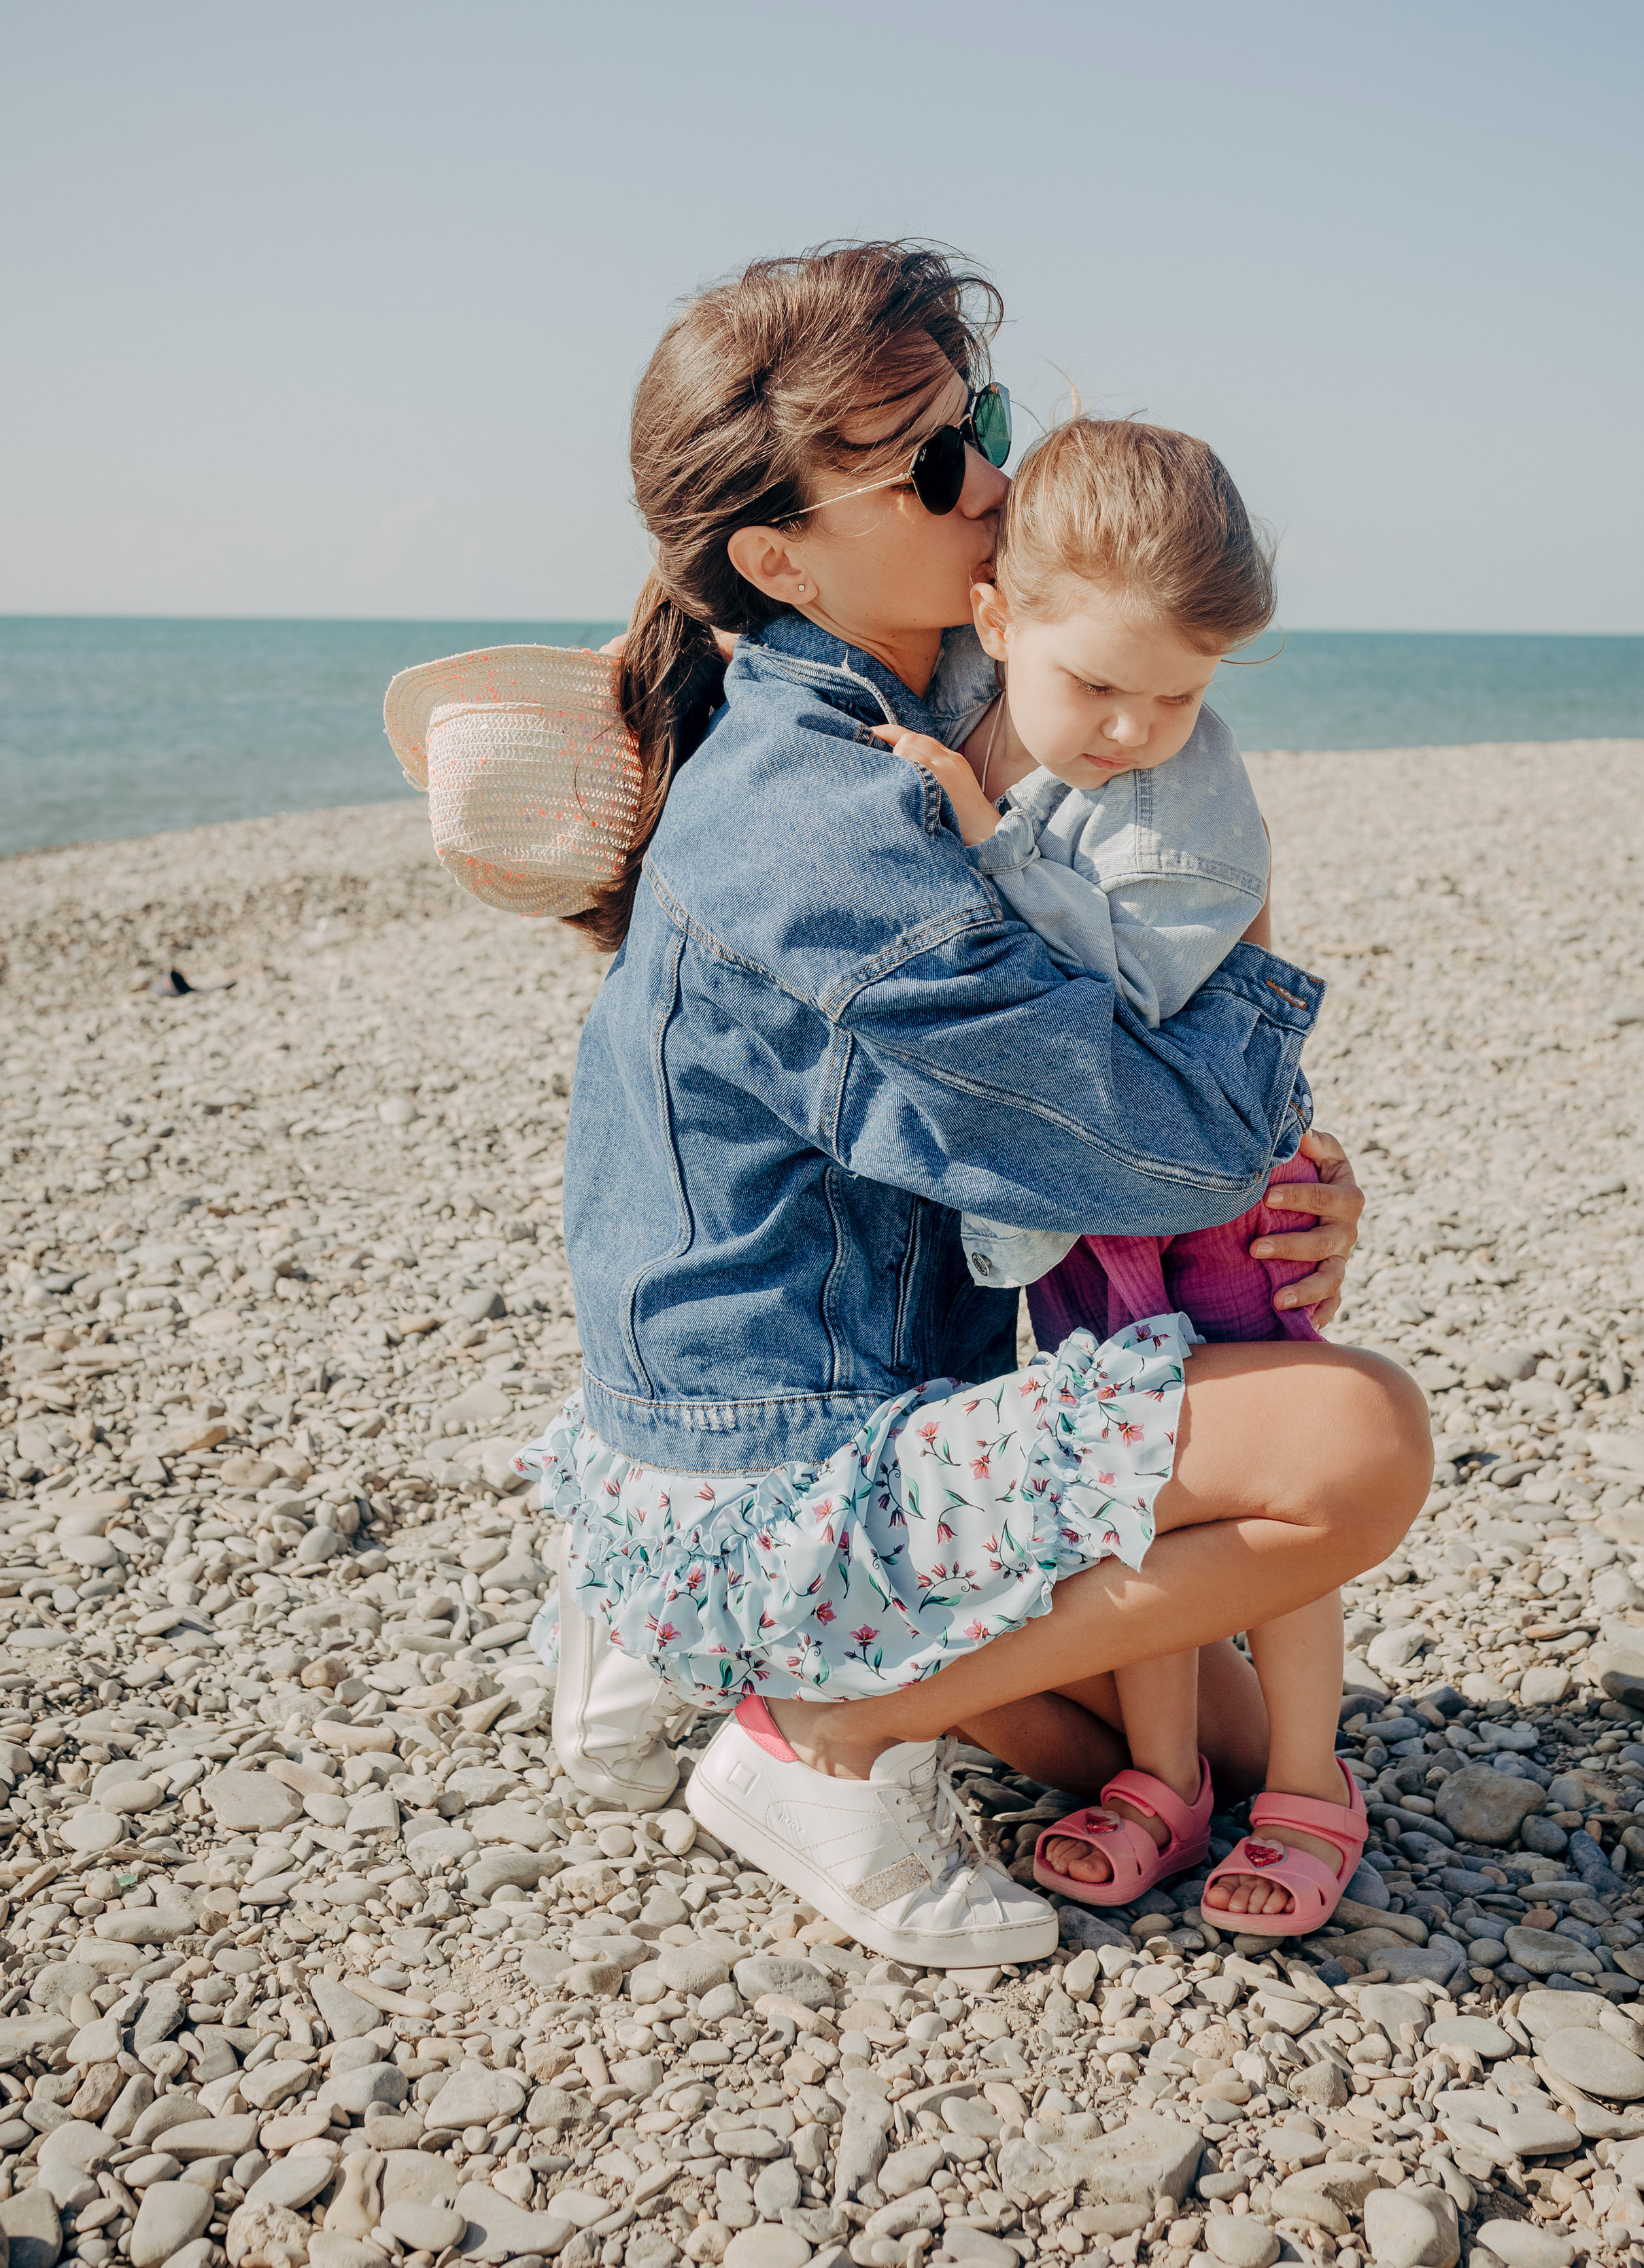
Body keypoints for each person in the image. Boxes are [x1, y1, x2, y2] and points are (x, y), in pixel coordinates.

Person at [500, 239, 1425, 1963]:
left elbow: (1151, 1120)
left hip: (781, 1407)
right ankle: (808, 1738)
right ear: (778, 555)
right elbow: (1170, 1147)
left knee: (1218, 1755)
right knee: (1351, 1449)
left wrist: (1282, 1167)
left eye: (977, 424)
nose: (992, 483)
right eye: (931, 466)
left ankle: (698, 1644)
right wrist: (1253, 1121)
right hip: (769, 1468)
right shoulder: (821, 819)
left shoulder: (934, 700)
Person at [870, 411, 1365, 1931]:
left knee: (1254, 1504)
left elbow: (1127, 1012)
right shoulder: (966, 700)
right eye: (1095, 685)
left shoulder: (1185, 801)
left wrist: (980, 839)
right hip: (1080, 1221)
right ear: (998, 613)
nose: (1132, 729)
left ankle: (1303, 1780)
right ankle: (1164, 1776)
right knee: (1121, 1493)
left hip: (1209, 1194)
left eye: (1178, 692)